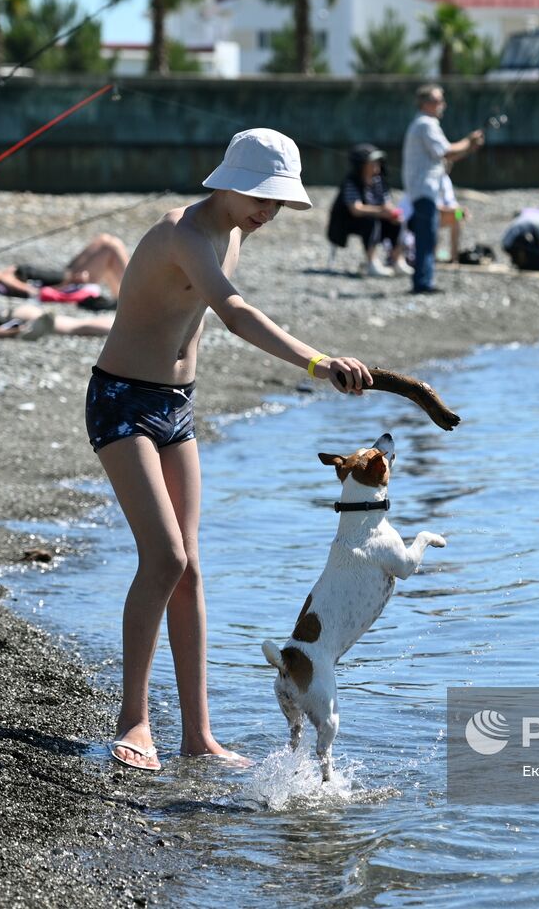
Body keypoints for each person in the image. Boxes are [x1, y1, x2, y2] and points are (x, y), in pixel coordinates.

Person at [87, 128, 373, 771]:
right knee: (161, 557)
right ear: (231, 181)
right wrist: (319, 362)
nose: (268, 213)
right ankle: (134, 722)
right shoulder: (181, 233)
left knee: (189, 569)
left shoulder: (233, 232)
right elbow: (236, 315)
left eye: (277, 204)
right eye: (262, 200)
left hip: (174, 408)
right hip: (121, 402)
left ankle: (198, 735)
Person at [402, 84, 484, 295]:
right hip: (424, 192)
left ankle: (427, 277)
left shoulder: (422, 125)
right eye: (439, 101)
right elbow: (446, 151)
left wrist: (469, 147)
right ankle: (422, 283)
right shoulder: (425, 124)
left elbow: (446, 155)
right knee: (427, 237)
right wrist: (468, 140)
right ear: (426, 103)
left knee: (441, 227)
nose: (443, 105)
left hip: (428, 195)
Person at [0, 233, 129, 301]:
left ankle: (121, 299)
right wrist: (68, 283)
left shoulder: (5, 274)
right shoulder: (4, 278)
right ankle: (136, 295)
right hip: (69, 280)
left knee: (105, 240)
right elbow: (35, 292)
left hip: (65, 273)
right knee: (110, 246)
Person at [326, 143, 405, 277]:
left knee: (397, 222)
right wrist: (380, 212)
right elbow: (356, 209)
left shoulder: (380, 181)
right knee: (370, 220)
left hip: (374, 217)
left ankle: (397, 261)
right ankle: (372, 263)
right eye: (372, 162)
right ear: (362, 165)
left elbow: (387, 203)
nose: (376, 164)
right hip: (348, 222)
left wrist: (392, 214)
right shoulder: (351, 182)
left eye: (377, 161)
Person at [436, 172, 470, 263]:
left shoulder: (445, 178)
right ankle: (433, 254)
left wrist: (461, 211)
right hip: (432, 214)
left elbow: (451, 202)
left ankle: (453, 257)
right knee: (437, 215)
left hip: (445, 213)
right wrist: (455, 211)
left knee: (459, 218)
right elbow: (434, 206)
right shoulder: (433, 177)